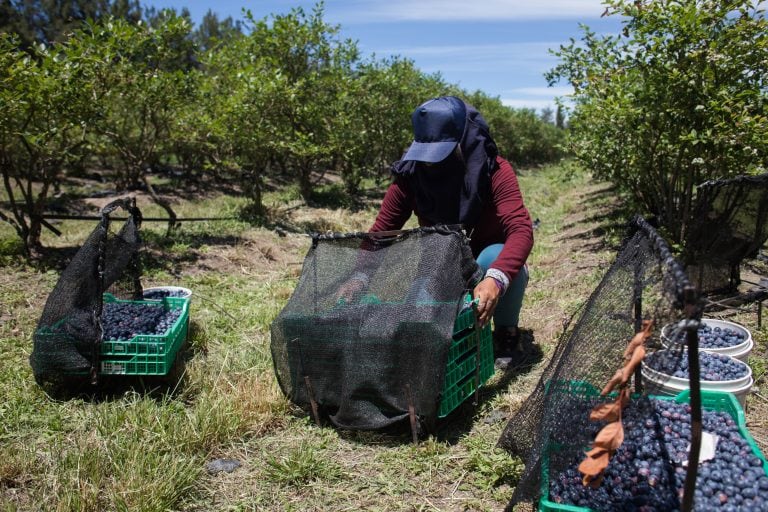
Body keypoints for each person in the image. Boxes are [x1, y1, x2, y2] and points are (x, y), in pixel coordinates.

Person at [340, 95, 533, 360]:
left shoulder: (494, 170)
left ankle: (506, 334)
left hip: (488, 257)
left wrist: (495, 279)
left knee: (494, 257)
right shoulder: (412, 175)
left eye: (440, 153)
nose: (430, 163)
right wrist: (361, 275)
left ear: (462, 142)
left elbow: (521, 229)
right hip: (442, 260)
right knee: (420, 312)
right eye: (426, 154)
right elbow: (382, 231)